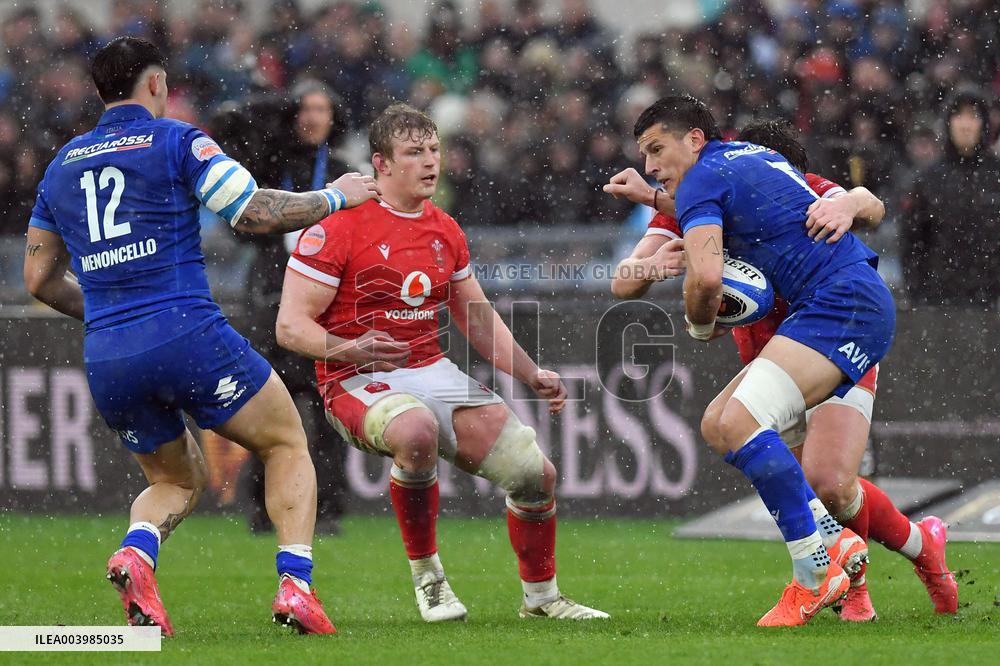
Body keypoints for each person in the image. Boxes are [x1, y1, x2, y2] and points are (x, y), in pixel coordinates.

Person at [22, 37, 380, 636]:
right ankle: (296, 587)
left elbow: (38, 278)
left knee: (173, 481)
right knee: (286, 441)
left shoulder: (61, 165)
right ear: (155, 84)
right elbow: (252, 211)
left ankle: (136, 553)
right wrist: (335, 196)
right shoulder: (177, 140)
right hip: (186, 332)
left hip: (109, 352)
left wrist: (111, 313)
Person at [606, 119, 958, 621]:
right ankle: (909, 549)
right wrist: (652, 267)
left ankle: (846, 579)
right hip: (771, 353)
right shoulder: (695, 200)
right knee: (792, 478)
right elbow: (623, 280)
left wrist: (850, 204)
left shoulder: (797, 189)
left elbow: (871, 204)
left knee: (831, 482)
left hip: (834, 331)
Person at [275, 103, 608, 622]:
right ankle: (429, 580)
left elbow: (476, 318)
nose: (430, 161)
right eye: (414, 152)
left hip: (430, 370)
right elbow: (290, 327)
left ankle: (542, 600)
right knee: (416, 431)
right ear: (381, 163)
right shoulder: (336, 226)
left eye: (434, 149)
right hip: (354, 378)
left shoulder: (444, 229)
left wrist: (531, 373)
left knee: (535, 474)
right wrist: (352, 349)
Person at [238, 80, 353, 536]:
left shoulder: (342, 174)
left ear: (334, 117)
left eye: (321, 109)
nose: (312, 118)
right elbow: (238, 126)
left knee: (330, 413)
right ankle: (263, 505)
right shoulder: (269, 165)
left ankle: (327, 509)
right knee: (267, 409)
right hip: (271, 300)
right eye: (303, 109)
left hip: (325, 303)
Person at [902, 90, 1000, 309]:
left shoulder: (996, 176)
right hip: (939, 301)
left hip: (991, 302)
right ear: (948, 122)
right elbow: (912, 242)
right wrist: (918, 295)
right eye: (958, 115)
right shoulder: (927, 179)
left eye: (973, 116)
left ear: (984, 124)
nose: (965, 125)